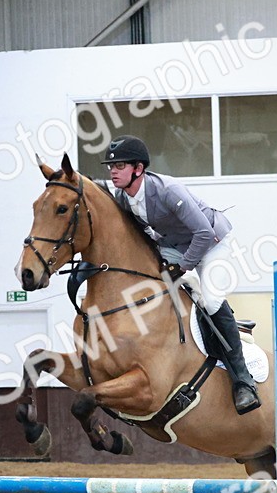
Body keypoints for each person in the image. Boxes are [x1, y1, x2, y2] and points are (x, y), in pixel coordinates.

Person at [100, 135, 259, 415]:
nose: (113, 171)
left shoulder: (167, 191)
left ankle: (243, 381)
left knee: (209, 302)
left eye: (120, 165)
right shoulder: (123, 197)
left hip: (211, 244)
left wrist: (183, 267)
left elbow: (203, 233)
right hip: (175, 246)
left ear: (138, 168)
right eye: (111, 166)